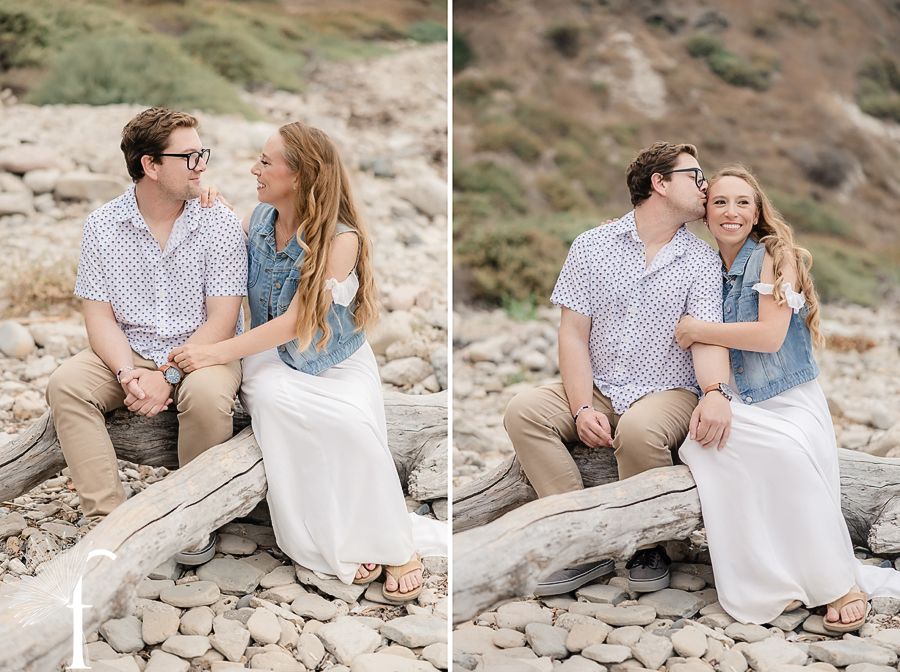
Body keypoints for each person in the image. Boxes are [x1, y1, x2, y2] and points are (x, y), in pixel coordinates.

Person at [170, 122, 447, 600]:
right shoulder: (258, 218)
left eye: (265, 162)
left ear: (298, 176)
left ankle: (395, 544)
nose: (253, 169)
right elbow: (217, 251)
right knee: (277, 405)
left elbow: (299, 321)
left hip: (333, 359)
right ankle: (331, 538)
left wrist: (213, 352)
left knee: (352, 425)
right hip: (267, 355)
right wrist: (205, 200)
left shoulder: (342, 240)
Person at [503, 142, 733, 596]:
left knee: (640, 429)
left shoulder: (702, 261)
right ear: (660, 184)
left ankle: (649, 544)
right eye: (695, 175)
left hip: (668, 390)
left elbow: (706, 336)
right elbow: (572, 334)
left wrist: (714, 392)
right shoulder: (592, 245)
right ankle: (584, 543)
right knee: (523, 409)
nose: (704, 185)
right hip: (603, 385)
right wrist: (581, 405)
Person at [675, 164, 900, 631]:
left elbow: (771, 335)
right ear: (705, 212)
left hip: (788, 399)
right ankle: (772, 576)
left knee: (785, 453)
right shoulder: (700, 263)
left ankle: (839, 582)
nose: (730, 212)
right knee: (703, 444)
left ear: (757, 212)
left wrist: (698, 329)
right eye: (719, 202)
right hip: (738, 396)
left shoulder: (776, 255)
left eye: (742, 202)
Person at [45, 108, 247, 565]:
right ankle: (110, 523)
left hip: (207, 346)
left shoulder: (218, 221)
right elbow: (98, 317)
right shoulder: (102, 225)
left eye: (202, 154)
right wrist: (128, 372)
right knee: (66, 385)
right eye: (189, 156)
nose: (201, 165)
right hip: (130, 346)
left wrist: (169, 374)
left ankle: (192, 518)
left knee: (209, 397)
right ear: (150, 166)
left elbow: (223, 317)